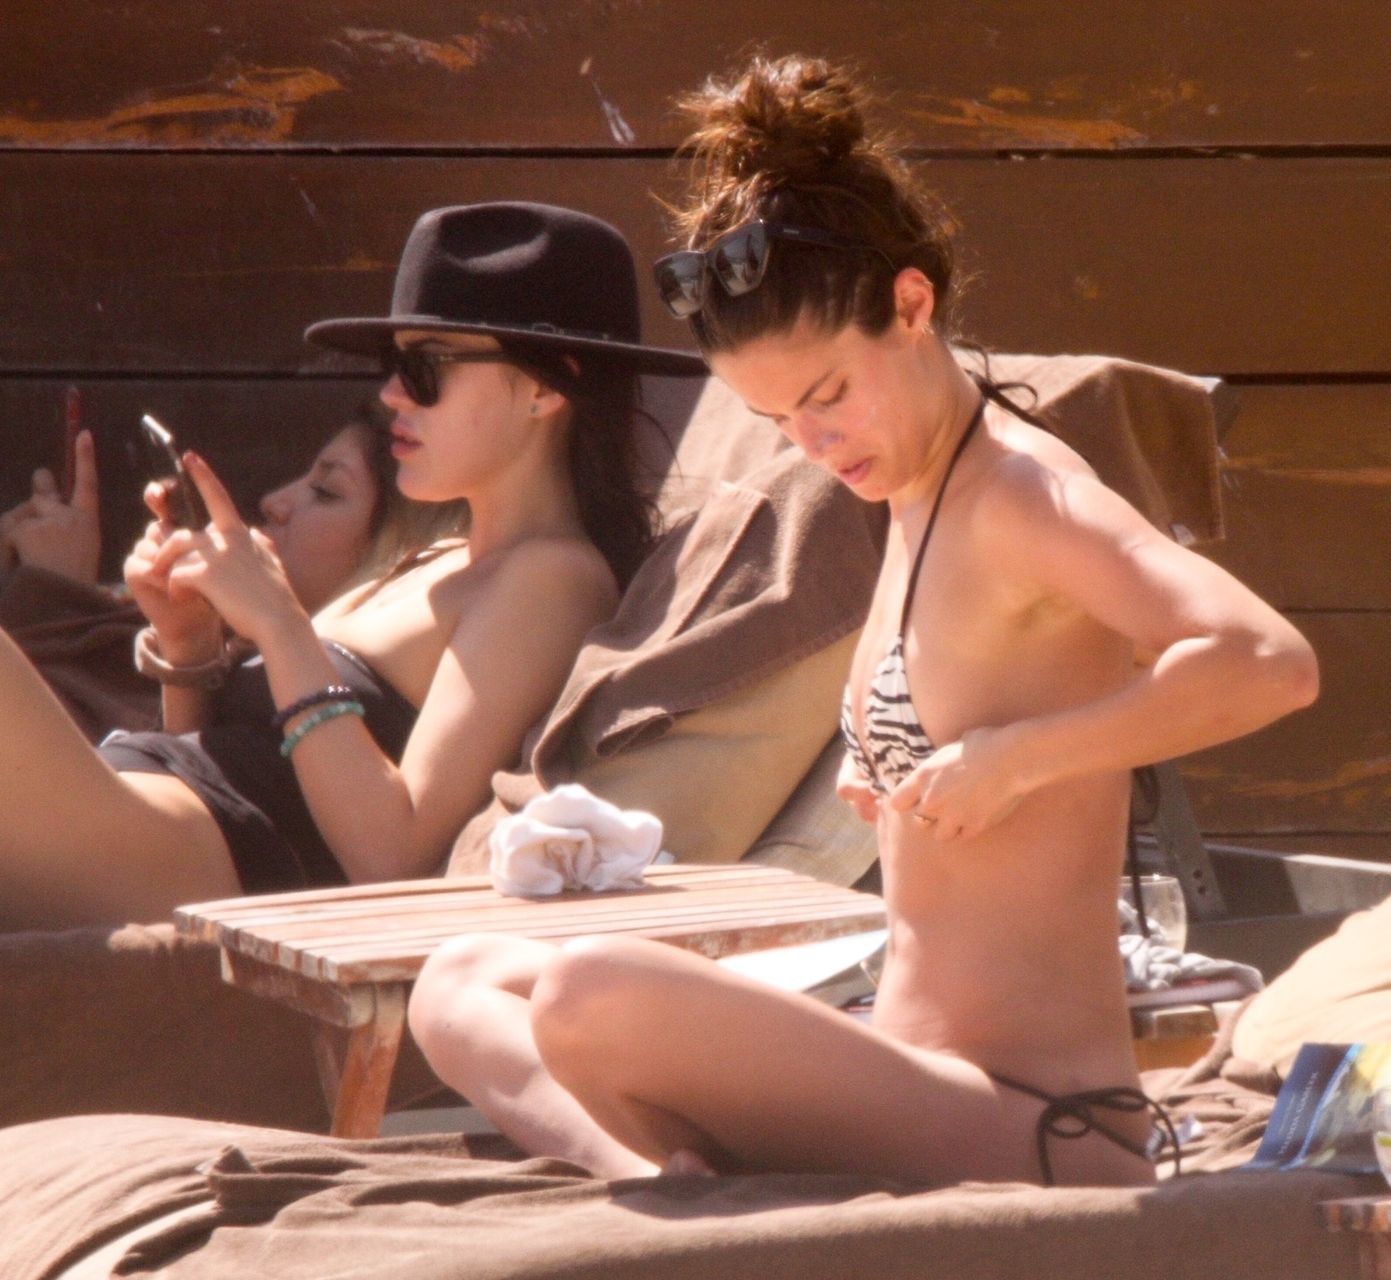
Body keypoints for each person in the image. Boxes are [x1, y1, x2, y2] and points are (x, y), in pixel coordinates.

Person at [407, 58, 1317, 1190]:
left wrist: (1017, 759)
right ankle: (661, 1182)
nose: (816, 444)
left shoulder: (1022, 493)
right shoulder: (907, 497)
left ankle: (677, 1185)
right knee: (457, 982)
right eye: (777, 419)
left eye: (829, 395)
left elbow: (1269, 661)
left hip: (1037, 1122)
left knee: (589, 989)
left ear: (912, 306)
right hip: (901, 1070)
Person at [0, 200, 704, 931]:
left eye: (426, 366)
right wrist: (190, 645)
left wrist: (279, 623)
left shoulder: (553, 576)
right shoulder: (436, 560)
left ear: (545, 387)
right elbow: (226, 751)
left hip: (181, 853)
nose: (392, 393)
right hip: (146, 819)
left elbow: (391, 854)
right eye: (393, 364)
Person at [0, 402, 470, 738]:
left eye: (326, 491)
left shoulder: (342, 705)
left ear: (402, 546)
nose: (273, 502)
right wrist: (185, 642)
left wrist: (55, 596)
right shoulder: (230, 646)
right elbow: (179, 769)